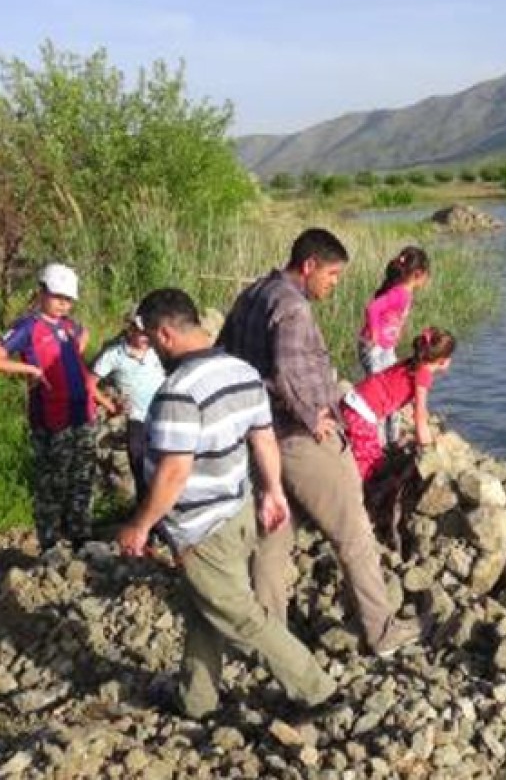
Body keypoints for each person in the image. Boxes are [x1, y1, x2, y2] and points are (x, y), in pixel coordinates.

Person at [117, 288, 337, 719]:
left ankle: (318, 691)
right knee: (205, 608)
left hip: (200, 529)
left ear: (164, 334)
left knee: (240, 617)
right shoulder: (242, 371)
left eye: (147, 336)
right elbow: (263, 438)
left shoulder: (177, 392)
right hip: (236, 513)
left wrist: (140, 524)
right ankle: (197, 699)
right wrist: (272, 491)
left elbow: (173, 473)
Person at [217, 228, 420, 657]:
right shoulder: (292, 307)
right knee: (355, 535)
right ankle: (381, 632)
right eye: (331, 274)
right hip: (299, 438)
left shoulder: (254, 294)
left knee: (274, 538)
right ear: (308, 266)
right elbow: (288, 373)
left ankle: (267, 637)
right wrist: (315, 417)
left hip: (261, 437)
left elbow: (225, 356)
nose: (334, 283)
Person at [0, 262, 98, 551]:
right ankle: (50, 543)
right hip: (50, 417)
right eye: (57, 297)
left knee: (82, 477)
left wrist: (76, 352)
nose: (63, 304)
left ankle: (80, 537)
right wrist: (29, 370)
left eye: (68, 299)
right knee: (52, 482)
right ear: (41, 292)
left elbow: (86, 333)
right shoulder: (27, 326)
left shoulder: (70, 326)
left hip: (83, 412)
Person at [343, 327, 455, 483]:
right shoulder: (424, 375)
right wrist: (427, 446)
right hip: (361, 413)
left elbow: (414, 403)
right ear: (443, 360)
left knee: (372, 455)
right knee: (368, 464)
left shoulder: (413, 363)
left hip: (354, 400)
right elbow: (420, 416)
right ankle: (355, 497)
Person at [91, 310, 166, 503]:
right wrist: (109, 403)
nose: (145, 337)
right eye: (141, 332)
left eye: (148, 332)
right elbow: (89, 383)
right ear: (130, 329)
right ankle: (142, 507)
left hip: (162, 415)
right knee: (138, 461)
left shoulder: (157, 351)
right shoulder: (114, 355)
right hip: (137, 418)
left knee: (165, 462)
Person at [357, 246, 430, 444]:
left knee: (393, 391)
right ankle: (379, 444)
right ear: (418, 274)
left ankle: (392, 441)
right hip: (374, 348)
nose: (427, 280)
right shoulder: (400, 293)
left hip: (385, 348)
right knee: (380, 395)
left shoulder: (405, 292)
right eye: (427, 275)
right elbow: (372, 308)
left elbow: (392, 317)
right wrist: (373, 332)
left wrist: (394, 335)